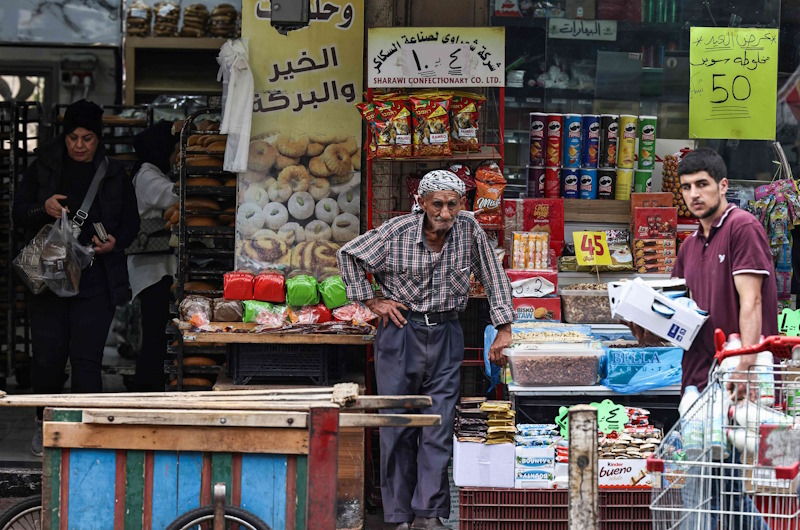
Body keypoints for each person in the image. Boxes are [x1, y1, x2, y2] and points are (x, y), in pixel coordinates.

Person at [337, 169, 514, 530]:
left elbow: (494, 275)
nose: (445, 213)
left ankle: (428, 513)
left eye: (452, 204)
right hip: (400, 332)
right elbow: (348, 255)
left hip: (447, 330)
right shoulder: (396, 232)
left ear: (462, 204)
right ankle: (399, 515)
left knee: (438, 422)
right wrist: (373, 300)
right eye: (438, 205)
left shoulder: (469, 229)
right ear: (421, 203)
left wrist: (504, 329)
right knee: (398, 424)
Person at [631, 148, 775, 530]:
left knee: (704, 481)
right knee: (722, 485)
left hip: (734, 376)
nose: (694, 194)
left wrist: (743, 366)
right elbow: (679, 315)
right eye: (687, 187)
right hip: (697, 377)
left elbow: (752, 300)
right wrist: (641, 323)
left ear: (722, 186)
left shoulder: (742, 227)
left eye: (702, 185)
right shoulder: (690, 246)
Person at [12, 99, 140, 456]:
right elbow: (18, 213)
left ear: (98, 139)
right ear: (64, 136)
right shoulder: (44, 167)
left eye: (87, 138)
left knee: (87, 360)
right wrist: (44, 208)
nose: (79, 145)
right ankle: (46, 426)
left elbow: (131, 224)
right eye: (73, 137)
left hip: (95, 280)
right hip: (49, 278)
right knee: (47, 359)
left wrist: (115, 242)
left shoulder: (114, 174)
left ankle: (84, 431)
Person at [127, 120, 179, 391]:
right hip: (152, 271)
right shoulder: (148, 175)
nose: (174, 157)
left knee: (157, 332)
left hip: (156, 269)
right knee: (156, 334)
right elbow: (172, 197)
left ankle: (151, 384)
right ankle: (147, 387)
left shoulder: (149, 171)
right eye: (173, 151)